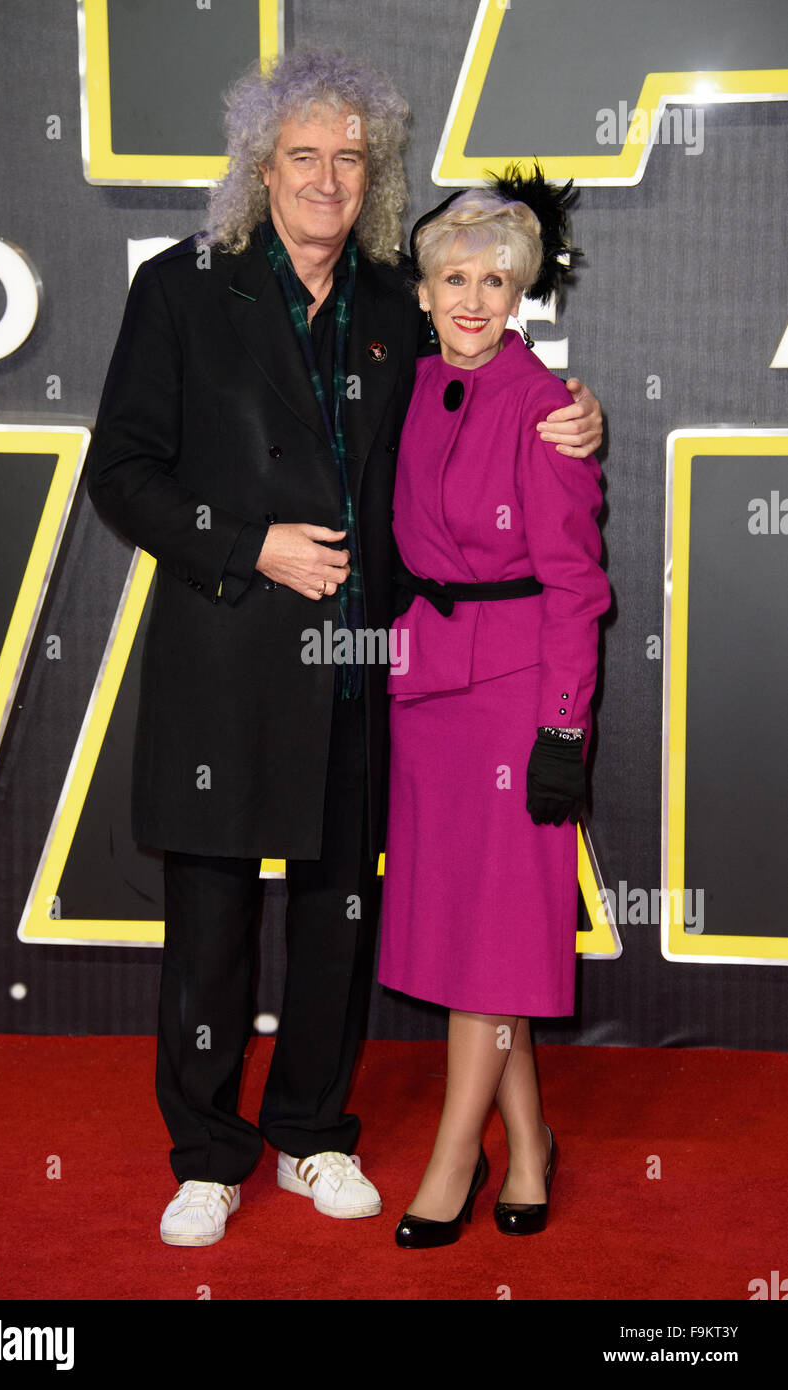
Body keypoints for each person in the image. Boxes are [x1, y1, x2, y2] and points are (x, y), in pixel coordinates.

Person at [85, 49, 603, 1248]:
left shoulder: (393, 298)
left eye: (350, 158)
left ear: (372, 178)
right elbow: (121, 473)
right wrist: (247, 544)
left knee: (336, 915)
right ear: (262, 165)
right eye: (303, 154)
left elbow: (491, 393)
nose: (326, 177)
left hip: (364, 662)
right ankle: (209, 1152)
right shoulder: (179, 287)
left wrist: (582, 413)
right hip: (223, 645)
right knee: (210, 925)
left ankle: (313, 1131)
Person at [378, 168, 611, 1247]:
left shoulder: (550, 411)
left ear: (521, 293)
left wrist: (563, 727)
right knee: (479, 934)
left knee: (491, 940)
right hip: (426, 690)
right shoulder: (403, 386)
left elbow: (578, 588)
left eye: (495, 280)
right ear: (421, 292)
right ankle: (532, 1139)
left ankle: (451, 1156)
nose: (472, 299)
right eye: (453, 277)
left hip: (519, 697)